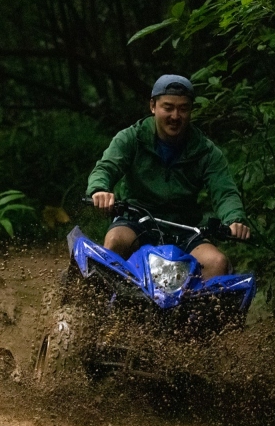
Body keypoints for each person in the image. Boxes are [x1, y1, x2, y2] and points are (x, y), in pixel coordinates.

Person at [86, 74, 250, 279]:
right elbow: (106, 167)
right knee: (115, 241)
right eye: (168, 107)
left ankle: (202, 311)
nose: (175, 116)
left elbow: (225, 192)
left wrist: (234, 220)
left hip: (185, 230)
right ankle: (95, 304)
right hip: (136, 222)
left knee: (217, 263)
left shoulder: (206, 151)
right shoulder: (131, 138)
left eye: (183, 108)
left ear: (191, 111)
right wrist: (99, 190)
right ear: (153, 106)